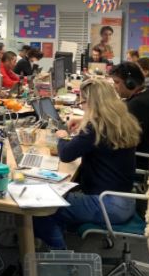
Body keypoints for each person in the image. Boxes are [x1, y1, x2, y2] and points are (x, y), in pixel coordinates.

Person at [33, 78, 141, 249]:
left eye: (82, 102)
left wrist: (61, 136)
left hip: (107, 204)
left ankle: (61, 262)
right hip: (126, 199)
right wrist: (84, 122)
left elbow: (66, 155)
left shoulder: (95, 127)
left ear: (92, 102)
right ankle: (54, 244)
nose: (81, 106)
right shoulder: (121, 121)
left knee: (42, 209)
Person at [111, 62, 149, 169]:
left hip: (139, 159)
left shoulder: (139, 104)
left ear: (130, 83)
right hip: (144, 152)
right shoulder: (146, 93)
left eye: (117, 82)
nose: (114, 86)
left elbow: (126, 140)